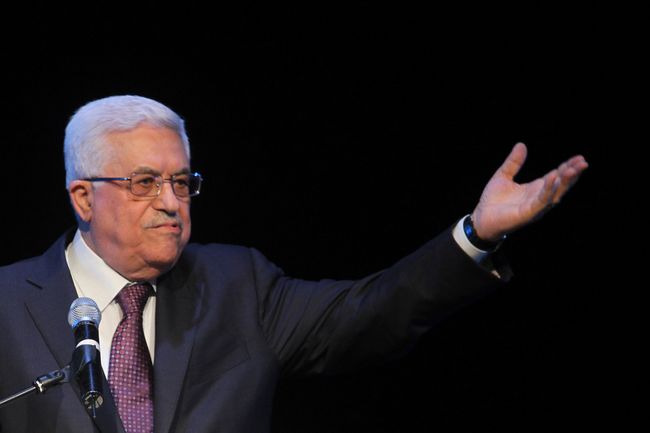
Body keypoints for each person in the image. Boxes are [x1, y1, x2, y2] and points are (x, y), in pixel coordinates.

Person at [0, 95, 588, 433]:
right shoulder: (7, 303)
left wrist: (476, 234)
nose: (171, 203)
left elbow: (371, 312)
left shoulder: (238, 286)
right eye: (144, 183)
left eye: (181, 182)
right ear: (84, 198)